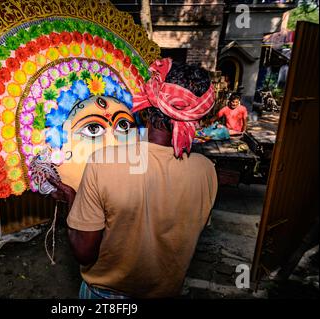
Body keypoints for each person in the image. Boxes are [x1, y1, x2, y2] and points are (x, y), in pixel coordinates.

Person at [48, 58, 218, 298]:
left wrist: (71, 201)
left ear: (147, 103)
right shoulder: (206, 171)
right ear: (197, 117)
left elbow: (84, 253)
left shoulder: (103, 162)